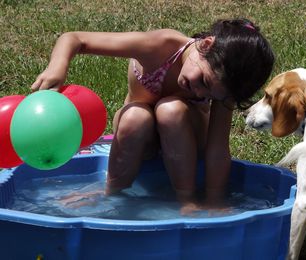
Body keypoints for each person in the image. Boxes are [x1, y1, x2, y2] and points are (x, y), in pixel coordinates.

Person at [31, 18, 275, 212]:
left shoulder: (224, 86)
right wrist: (58, 67)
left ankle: (186, 200)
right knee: (135, 116)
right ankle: (110, 193)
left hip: (187, 141)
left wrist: (213, 200)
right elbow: (75, 38)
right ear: (206, 45)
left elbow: (217, 149)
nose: (200, 91)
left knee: (170, 109)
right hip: (140, 139)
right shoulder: (160, 46)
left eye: (210, 94)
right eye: (202, 80)